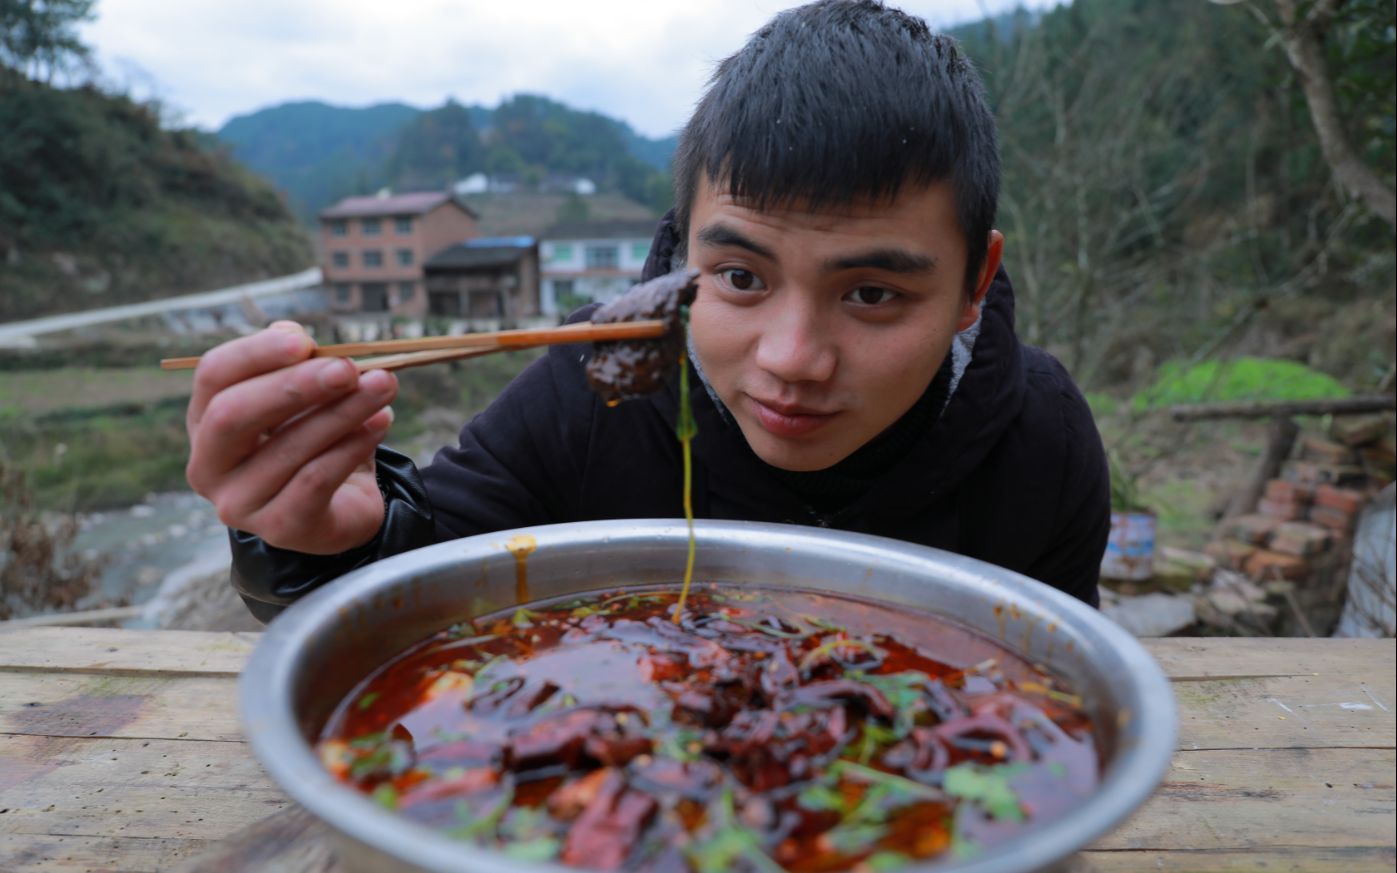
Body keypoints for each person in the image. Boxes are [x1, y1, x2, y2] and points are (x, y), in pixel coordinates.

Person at [183, 0, 1110, 622]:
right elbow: (415, 594)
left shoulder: (1039, 437)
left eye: (871, 294)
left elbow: (1049, 701)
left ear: (972, 284)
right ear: (685, 246)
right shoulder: (597, 382)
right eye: (742, 278)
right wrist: (309, 541)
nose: (792, 359)